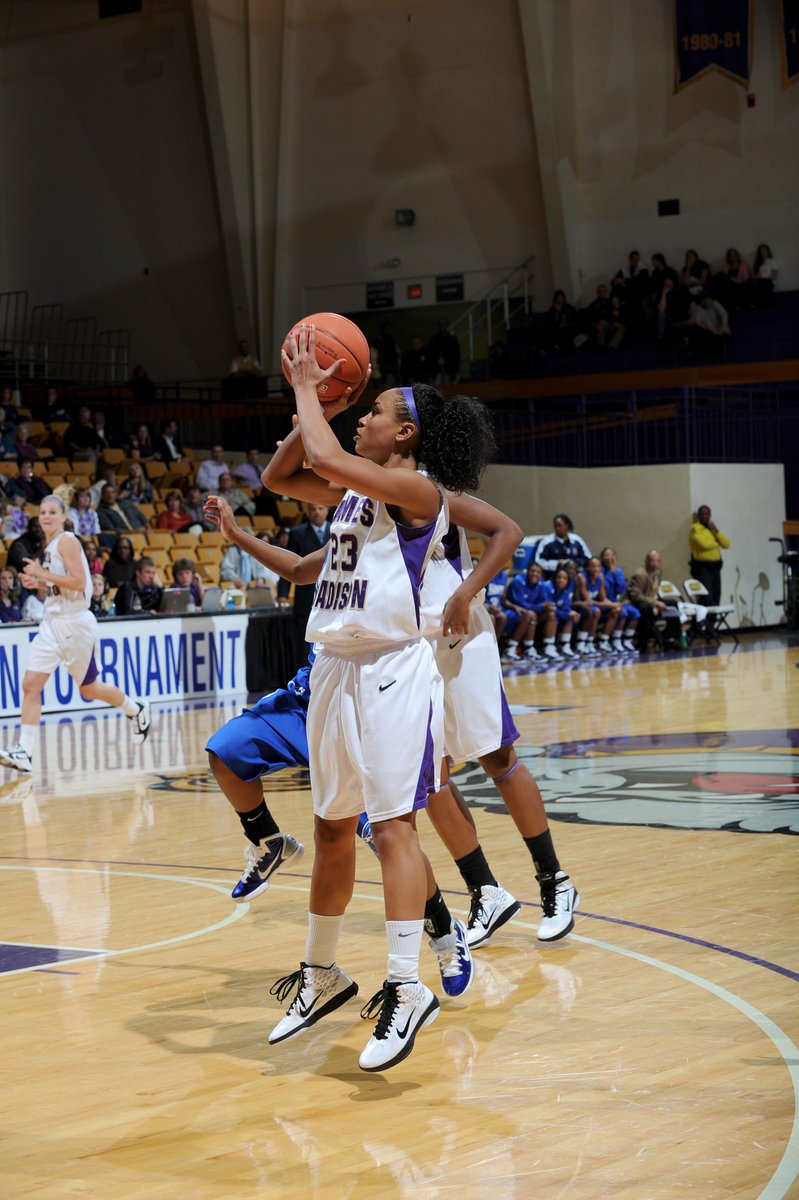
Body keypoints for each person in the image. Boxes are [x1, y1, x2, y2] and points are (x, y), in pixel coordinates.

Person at [262, 328, 497, 1072]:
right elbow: (280, 475)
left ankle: (405, 985)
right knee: (332, 827)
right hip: (334, 664)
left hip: (393, 667)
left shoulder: (420, 493)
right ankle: (321, 973)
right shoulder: (353, 494)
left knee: (392, 826)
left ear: (406, 435)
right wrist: (323, 405)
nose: (360, 417)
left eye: (372, 411)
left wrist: (309, 392)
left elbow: (326, 457)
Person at [0, 487, 150, 773]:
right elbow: (61, 584)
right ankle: (25, 752)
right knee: (30, 684)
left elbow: (81, 583)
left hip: (75, 623)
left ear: (63, 516)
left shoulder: (67, 541)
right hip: (52, 622)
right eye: (42, 512)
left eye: (52, 512)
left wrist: (42, 574)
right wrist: (39, 584)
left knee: (89, 689)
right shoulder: (50, 545)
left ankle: (136, 708)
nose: (46, 516)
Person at [276, 502, 331, 650]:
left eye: (320, 508)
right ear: (307, 511)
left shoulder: (338, 530)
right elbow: (288, 564)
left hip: (332, 596)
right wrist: (282, 594)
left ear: (327, 510)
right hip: (305, 598)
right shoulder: (297, 533)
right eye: (313, 509)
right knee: (305, 648)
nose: (317, 512)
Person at [627, 550, 681, 650]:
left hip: (652, 600)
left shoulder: (658, 572)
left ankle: (672, 637)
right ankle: (645, 641)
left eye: (658, 561)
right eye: (652, 561)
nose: (655, 563)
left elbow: (655, 588)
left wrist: (656, 599)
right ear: (646, 561)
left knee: (672, 604)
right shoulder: (640, 574)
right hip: (640, 603)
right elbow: (635, 596)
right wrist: (655, 603)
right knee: (645, 608)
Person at [689, 505, 731, 609]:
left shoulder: (712, 529)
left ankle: (712, 620)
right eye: (702, 514)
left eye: (707, 514)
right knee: (707, 597)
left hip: (716, 568)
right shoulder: (694, 528)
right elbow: (704, 544)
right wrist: (717, 542)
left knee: (717, 595)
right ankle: (703, 618)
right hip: (703, 568)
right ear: (698, 515)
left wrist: (716, 531)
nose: (705, 516)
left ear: (710, 515)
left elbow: (727, 544)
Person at [599, 547, 640, 654]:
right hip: (602, 602)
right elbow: (602, 591)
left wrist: (615, 573)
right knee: (620, 612)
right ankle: (604, 642)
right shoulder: (599, 570)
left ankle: (626, 641)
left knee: (635, 612)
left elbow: (621, 589)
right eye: (606, 555)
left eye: (612, 555)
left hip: (614, 601)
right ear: (602, 558)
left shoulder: (618, 571)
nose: (609, 557)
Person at [535, 513, 591, 578]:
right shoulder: (547, 542)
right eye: (555, 526)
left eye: (559, 526)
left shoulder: (576, 540)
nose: (557, 528)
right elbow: (538, 561)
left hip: (575, 575)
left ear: (567, 526)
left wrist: (576, 563)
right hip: (554, 576)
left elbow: (588, 557)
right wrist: (557, 563)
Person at [688, 292, 730, 361]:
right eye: (703, 299)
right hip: (708, 332)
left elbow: (724, 315)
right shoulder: (698, 308)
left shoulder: (715, 303)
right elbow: (698, 323)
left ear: (710, 298)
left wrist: (722, 329)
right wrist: (711, 329)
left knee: (718, 338)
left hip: (721, 331)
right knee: (695, 331)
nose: (706, 300)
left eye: (707, 298)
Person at [427, 321, 461, 385]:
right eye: (441, 324)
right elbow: (430, 356)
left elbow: (457, 355)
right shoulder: (433, 340)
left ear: (447, 326)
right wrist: (431, 371)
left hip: (450, 369)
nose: (443, 326)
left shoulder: (453, 340)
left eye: (444, 324)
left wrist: (455, 370)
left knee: (450, 388)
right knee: (437, 387)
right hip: (436, 370)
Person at [749, 243, 779, 307]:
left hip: (769, 282)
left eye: (764, 250)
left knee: (759, 284)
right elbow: (755, 275)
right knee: (749, 282)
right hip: (759, 280)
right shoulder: (758, 263)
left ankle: (758, 302)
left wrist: (760, 276)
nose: (763, 252)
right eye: (761, 250)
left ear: (768, 251)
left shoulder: (772, 262)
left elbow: (774, 277)